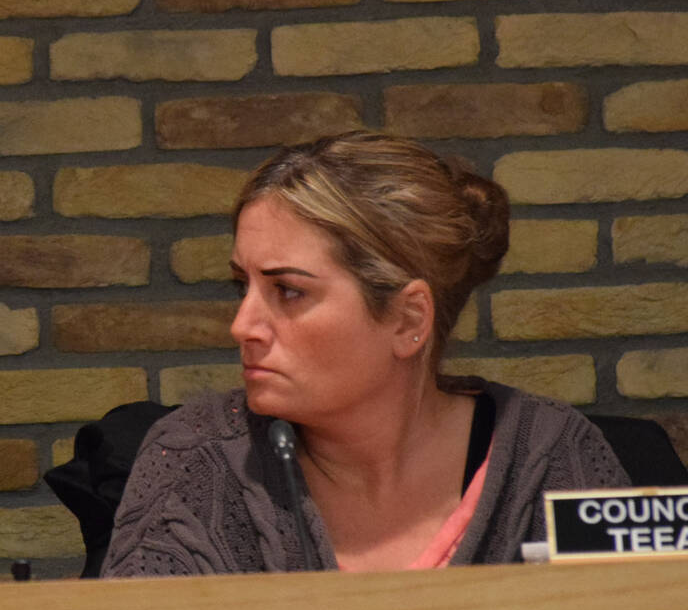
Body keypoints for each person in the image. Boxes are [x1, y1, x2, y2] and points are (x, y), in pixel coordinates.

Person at [103, 131, 628, 577]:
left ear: (407, 320)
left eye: (288, 291)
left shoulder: (553, 459)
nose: (241, 326)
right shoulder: (196, 461)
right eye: (242, 284)